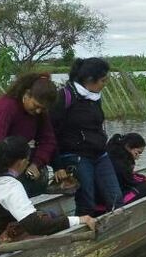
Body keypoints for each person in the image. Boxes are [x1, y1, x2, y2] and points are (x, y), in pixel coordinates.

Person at [0, 136, 96, 257]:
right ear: (20, 162)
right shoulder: (9, 186)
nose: (27, 164)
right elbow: (35, 225)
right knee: (47, 226)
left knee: (48, 214)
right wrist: (79, 220)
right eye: (27, 161)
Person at [50, 57, 123, 216]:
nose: (105, 83)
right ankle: (80, 236)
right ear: (90, 80)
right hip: (77, 157)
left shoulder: (94, 97)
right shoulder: (64, 97)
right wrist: (57, 166)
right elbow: (50, 134)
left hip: (100, 154)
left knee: (116, 198)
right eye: (103, 80)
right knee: (86, 202)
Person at [106, 132, 146, 204]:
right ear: (128, 147)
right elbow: (130, 180)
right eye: (138, 152)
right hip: (111, 200)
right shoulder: (120, 161)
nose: (138, 157)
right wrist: (145, 180)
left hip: (108, 194)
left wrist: (143, 177)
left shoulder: (114, 153)